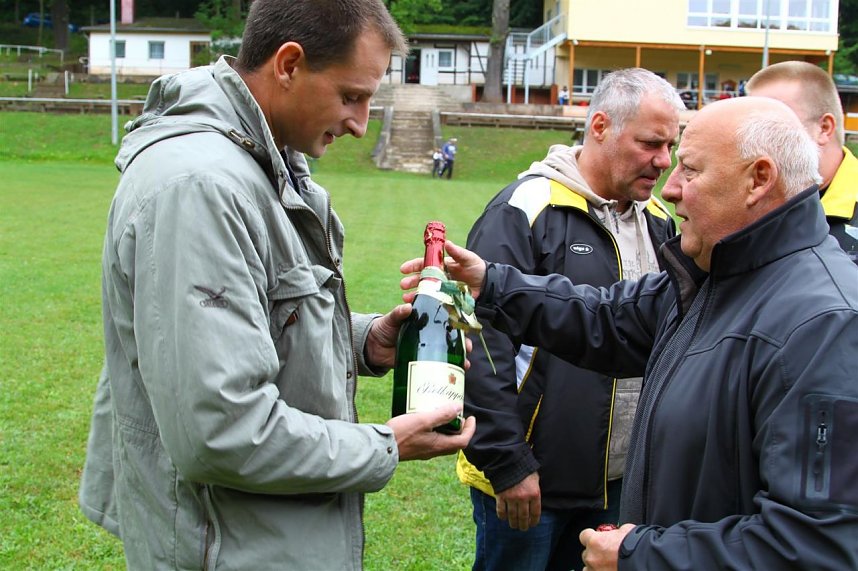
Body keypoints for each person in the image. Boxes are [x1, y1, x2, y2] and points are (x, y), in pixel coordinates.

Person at [78, 1, 475, 569]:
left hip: (261, 536)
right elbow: (222, 430)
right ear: (288, 64)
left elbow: (258, 314)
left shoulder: (256, 162)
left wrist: (365, 340)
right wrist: (384, 445)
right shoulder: (202, 186)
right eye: (351, 96)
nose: (361, 125)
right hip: (226, 547)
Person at [402, 96, 858, 569]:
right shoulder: (715, 275)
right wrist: (494, 283)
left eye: (690, 170)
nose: (673, 186)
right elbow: (607, 319)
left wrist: (641, 556)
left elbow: (816, 543)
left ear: (758, 180)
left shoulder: (825, 325)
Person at [458, 68, 683, 571]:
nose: (663, 161)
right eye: (650, 142)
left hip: (626, 483)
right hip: (535, 481)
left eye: (672, 145)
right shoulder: (527, 206)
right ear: (599, 125)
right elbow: (479, 337)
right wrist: (508, 462)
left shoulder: (662, 223)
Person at [746, 60, 858, 264]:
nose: (754, 142)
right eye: (749, 128)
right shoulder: (747, 199)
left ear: (824, 128)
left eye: (771, 126)